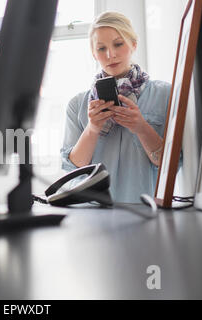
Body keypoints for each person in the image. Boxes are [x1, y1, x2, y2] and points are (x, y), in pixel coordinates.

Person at [60, 12, 171, 203]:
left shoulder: (164, 95)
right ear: (94, 54)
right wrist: (92, 128)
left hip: (145, 215)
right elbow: (72, 170)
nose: (110, 54)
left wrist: (141, 128)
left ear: (133, 44)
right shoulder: (77, 105)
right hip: (93, 216)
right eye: (101, 48)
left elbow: (172, 165)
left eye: (118, 44)